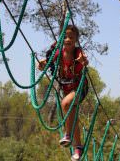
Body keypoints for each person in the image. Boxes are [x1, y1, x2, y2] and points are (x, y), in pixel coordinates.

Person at [38, 25, 88, 161]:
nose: (68, 39)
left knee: (65, 104)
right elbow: (47, 63)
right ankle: (78, 148)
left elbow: (83, 59)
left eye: (71, 37)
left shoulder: (78, 52)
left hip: (79, 88)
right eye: (65, 37)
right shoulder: (58, 53)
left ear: (76, 39)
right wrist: (43, 64)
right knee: (72, 117)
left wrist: (84, 61)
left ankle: (67, 134)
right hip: (67, 89)